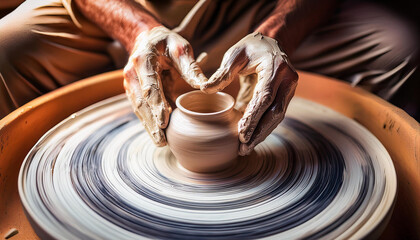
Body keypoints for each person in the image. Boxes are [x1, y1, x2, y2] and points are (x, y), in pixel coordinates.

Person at [0, 0, 418, 155]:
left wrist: (276, 34)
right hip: (119, 9)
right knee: (8, 48)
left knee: (400, 51)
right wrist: (137, 30)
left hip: (254, 10)